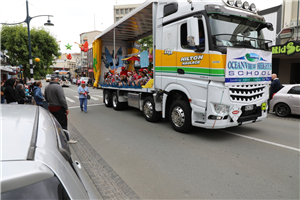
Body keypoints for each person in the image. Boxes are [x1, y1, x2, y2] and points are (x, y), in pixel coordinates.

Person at [45, 74, 77, 143]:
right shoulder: (58, 87)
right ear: (56, 79)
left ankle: (56, 137)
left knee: (54, 123)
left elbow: (46, 98)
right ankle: (66, 139)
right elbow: (62, 99)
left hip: (51, 107)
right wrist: (66, 108)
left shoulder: (47, 87)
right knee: (63, 124)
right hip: (58, 108)